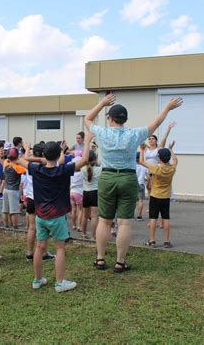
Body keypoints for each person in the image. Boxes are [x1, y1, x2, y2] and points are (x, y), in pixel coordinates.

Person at [84, 94, 183, 273]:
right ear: (125, 119)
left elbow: (88, 118)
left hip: (107, 178)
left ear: (110, 118)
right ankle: (120, 262)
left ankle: (100, 259)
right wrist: (167, 108)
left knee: (105, 221)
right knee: (124, 223)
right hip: (128, 178)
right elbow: (156, 123)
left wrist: (102, 103)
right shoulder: (134, 134)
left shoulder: (102, 132)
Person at [17, 134, 93, 293]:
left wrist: (31, 154)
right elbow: (85, 160)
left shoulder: (36, 169)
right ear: (60, 155)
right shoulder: (64, 170)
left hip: (40, 215)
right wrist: (87, 143)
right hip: (57, 216)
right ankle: (59, 283)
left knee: (40, 247)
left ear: (43, 155)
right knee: (59, 249)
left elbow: (22, 160)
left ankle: (37, 280)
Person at [140, 142, 178, 248]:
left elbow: (142, 161)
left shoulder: (155, 168)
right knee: (166, 218)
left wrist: (142, 149)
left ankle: (152, 241)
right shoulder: (171, 169)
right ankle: (166, 241)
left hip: (155, 196)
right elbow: (175, 160)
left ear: (159, 158)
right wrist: (170, 149)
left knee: (153, 218)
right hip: (166, 197)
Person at [24, 142, 55, 262]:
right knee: (44, 228)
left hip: (31, 199)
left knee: (32, 228)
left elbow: (25, 158)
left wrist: (27, 150)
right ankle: (44, 253)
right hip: (42, 200)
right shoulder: (46, 165)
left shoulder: (29, 165)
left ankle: (29, 253)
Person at [1, 147, 26, 229]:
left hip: (6, 189)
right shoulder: (18, 168)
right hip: (14, 191)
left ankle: (6, 225)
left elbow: (7, 161)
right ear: (17, 156)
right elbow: (25, 170)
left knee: (5, 209)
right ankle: (15, 226)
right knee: (14, 211)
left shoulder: (6, 164)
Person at [80, 150, 102, 241]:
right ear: (95, 158)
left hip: (85, 192)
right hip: (95, 192)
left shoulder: (82, 168)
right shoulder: (99, 169)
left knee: (85, 216)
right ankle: (93, 236)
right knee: (94, 216)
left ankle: (83, 234)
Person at [70, 151, 83, 232]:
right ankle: (79, 225)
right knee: (80, 210)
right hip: (79, 193)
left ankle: (73, 225)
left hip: (71, 192)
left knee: (73, 209)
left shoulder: (71, 173)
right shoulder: (82, 173)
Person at [135, 152, 148, 221]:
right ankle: (139, 216)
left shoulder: (132, 166)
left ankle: (129, 215)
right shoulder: (144, 167)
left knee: (130, 200)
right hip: (141, 184)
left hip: (132, 184)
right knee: (140, 200)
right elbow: (148, 177)